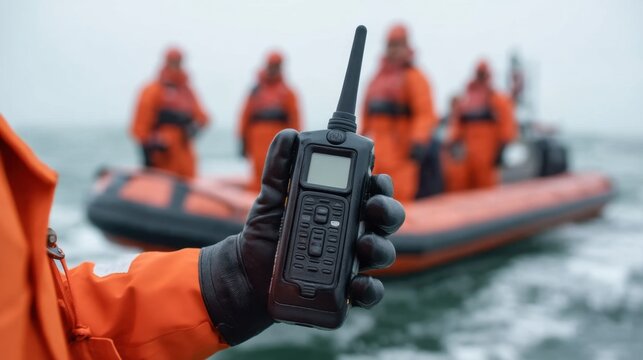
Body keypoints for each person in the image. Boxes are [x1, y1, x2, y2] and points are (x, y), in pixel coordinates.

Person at [0, 114, 403, 359]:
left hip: (397, 150)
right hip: (170, 159)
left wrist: (231, 282)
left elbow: (49, 318)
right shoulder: (159, 90)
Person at [361, 24, 438, 202]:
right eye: (391, 45)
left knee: (400, 196)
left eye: (398, 45)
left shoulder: (415, 77)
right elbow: (366, 114)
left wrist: (419, 141)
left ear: (406, 47)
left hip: (402, 152)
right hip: (376, 152)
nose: (394, 50)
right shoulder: (375, 79)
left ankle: (403, 229)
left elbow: (425, 113)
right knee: (369, 196)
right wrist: (358, 141)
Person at [130, 47, 209, 179]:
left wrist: (194, 128)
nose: (176, 65)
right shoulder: (152, 90)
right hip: (163, 155)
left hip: (184, 150)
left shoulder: (187, 92)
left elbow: (203, 117)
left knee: (187, 181)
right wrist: (149, 146)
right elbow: (140, 125)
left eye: (178, 61)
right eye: (172, 61)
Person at [238, 51, 301, 191]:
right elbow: (245, 115)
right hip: (256, 140)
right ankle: (253, 206)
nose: (274, 68)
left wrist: (297, 143)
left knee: (278, 173)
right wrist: (242, 140)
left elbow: (295, 118)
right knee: (258, 172)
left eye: (277, 65)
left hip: (278, 139)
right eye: (272, 65)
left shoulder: (288, 92)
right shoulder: (255, 91)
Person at [450, 60, 518, 189]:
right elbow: (456, 125)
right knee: (461, 187)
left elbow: (507, 126)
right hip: (467, 157)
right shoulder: (466, 101)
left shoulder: (497, 100)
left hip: (488, 157)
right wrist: (454, 143)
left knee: (486, 189)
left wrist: (501, 150)